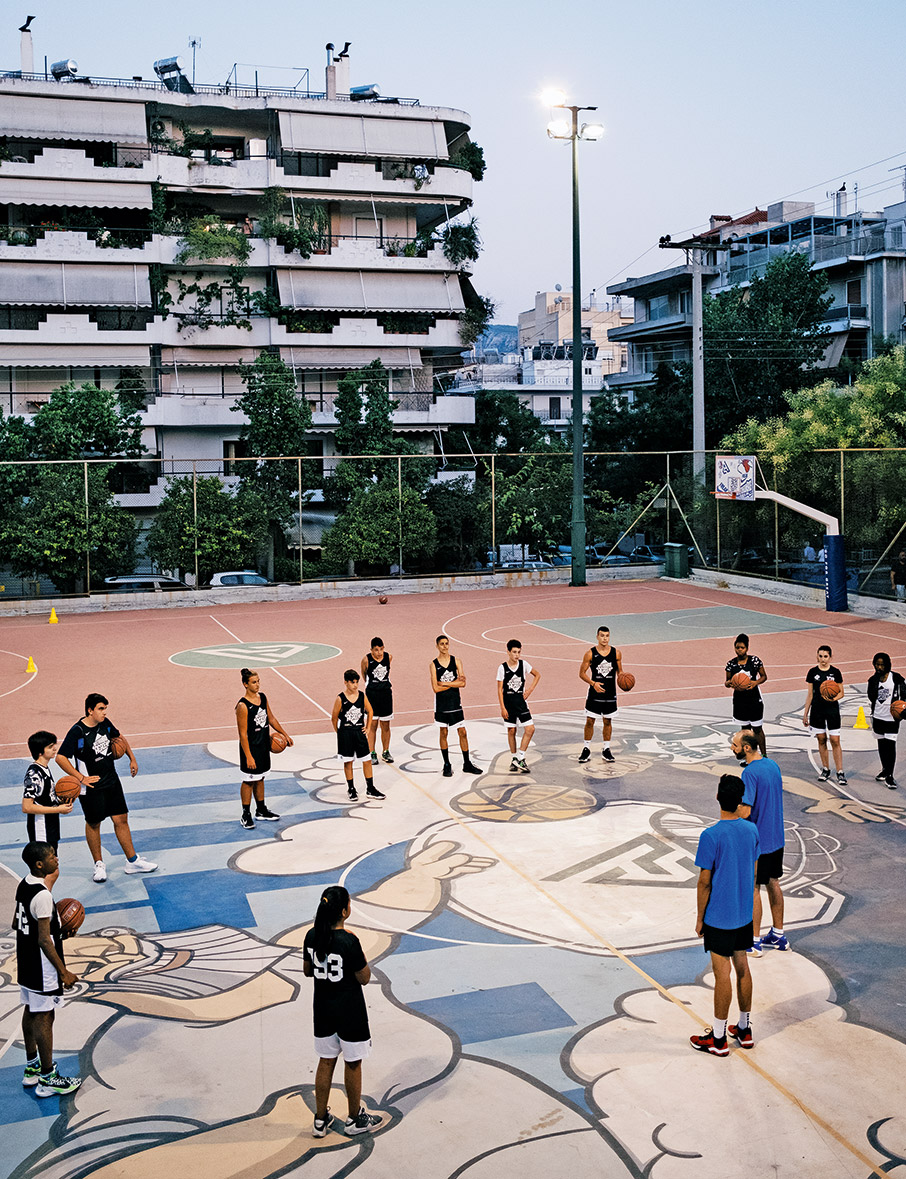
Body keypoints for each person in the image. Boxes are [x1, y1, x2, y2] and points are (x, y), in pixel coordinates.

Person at [302, 884, 383, 1137]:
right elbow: (364, 977)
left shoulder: (311, 936)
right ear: (345, 911)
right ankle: (354, 1119)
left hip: (322, 1010)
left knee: (325, 1061)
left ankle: (320, 1120)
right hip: (350, 1012)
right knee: (353, 1062)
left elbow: (307, 971)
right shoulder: (349, 940)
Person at [691, 774, 759, 1056]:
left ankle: (718, 1038)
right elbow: (752, 872)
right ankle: (744, 1028)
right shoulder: (751, 831)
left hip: (719, 916)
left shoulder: (711, 836)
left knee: (722, 974)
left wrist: (700, 918)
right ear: (740, 800)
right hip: (743, 914)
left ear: (718, 798)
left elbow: (704, 882)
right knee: (743, 969)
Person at [56, 693, 157, 883]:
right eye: (101, 709)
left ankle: (132, 861)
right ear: (90, 710)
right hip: (91, 786)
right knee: (94, 823)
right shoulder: (77, 731)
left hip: (111, 780)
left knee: (121, 819)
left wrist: (132, 758)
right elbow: (60, 758)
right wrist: (81, 778)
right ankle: (99, 865)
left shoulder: (105, 724)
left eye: (105, 709)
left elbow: (119, 738)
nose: (104, 712)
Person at [13, 841, 81, 1096]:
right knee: (44, 1016)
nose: (57, 859)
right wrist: (63, 972)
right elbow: (43, 940)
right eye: (52, 856)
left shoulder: (25, 884)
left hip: (25, 961)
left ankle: (32, 1067)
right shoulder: (43, 896)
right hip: (42, 967)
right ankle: (48, 1078)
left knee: (31, 1009)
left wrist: (58, 930)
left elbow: (20, 924)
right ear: (40, 864)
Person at [731, 729, 788, 955]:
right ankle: (778, 935)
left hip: (759, 842)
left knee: (754, 888)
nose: (732, 748)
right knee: (773, 883)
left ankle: (753, 941)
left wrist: (728, 806)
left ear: (746, 748)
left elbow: (745, 811)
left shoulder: (750, 773)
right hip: (777, 838)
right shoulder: (773, 765)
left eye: (735, 745)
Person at [236, 668, 293, 829]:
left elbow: (271, 718)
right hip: (250, 748)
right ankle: (245, 814)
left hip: (263, 746)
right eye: (254, 682)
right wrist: (248, 756)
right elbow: (242, 735)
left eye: (258, 681)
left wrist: (285, 734)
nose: (257, 685)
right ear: (245, 684)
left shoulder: (263, 698)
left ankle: (261, 810)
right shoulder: (242, 706)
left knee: (260, 778)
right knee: (248, 780)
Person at [22, 731, 71, 890]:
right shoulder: (34, 773)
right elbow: (27, 806)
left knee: (52, 871)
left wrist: (61, 802)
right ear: (40, 751)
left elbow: (45, 798)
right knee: (49, 872)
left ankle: (43, 900)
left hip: (50, 825)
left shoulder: (44, 769)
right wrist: (58, 809)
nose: (54, 748)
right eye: (50, 747)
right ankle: (42, 901)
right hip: (40, 827)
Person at [430, 635, 481, 777]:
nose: (444, 646)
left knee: (462, 732)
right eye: (442, 644)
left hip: (455, 703)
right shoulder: (433, 664)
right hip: (441, 704)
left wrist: (444, 683)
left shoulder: (456, 661)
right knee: (443, 732)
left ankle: (467, 763)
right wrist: (454, 683)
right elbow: (435, 688)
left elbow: (463, 683)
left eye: (446, 643)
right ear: (437, 646)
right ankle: (447, 764)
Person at [332, 670, 386, 802]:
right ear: (345, 682)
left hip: (359, 733)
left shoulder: (362, 696)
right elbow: (334, 718)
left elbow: (370, 711)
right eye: (352, 682)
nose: (355, 685)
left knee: (367, 760)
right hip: (346, 733)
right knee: (348, 761)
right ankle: (351, 789)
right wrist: (339, 732)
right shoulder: (340, 698)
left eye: (357, 682)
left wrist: (368, 727)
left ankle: (370, 788)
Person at [802, 644, 846, 785]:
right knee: (821, 739)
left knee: (835, 740)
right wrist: (805, 714)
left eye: (825, 656)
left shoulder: (836, 672)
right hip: (817, 711)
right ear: (817, 656)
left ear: (830, 657)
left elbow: (841, 693)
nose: (823, 659)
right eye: (820, 656)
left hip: (832, 710)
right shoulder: (812, 672)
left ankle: (840, 771)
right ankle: (825, 769)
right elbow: (810, 695)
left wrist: (832, 698)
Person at [578, 625, 623, 763]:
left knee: (607, 721)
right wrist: (593, 684)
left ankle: (606, 749)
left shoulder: (616, 653)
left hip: (610, 693)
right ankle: (586, 749)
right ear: (597, 637)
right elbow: (581, 673)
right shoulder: (590, 653)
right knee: (590, 721)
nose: (605, 638)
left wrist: (624, 680)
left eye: (607, 636)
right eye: (602, 636)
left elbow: (620, 672)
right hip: (594, 694)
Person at [497, 639, 542, 773]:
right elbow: (499, 689)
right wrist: (502, 708)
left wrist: (529, 690)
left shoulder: (524, 665)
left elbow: (537, 675)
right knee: (511, 731)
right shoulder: (502, 668)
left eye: (519, 652)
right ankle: (514, 759)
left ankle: (521, 757)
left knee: (530, 729)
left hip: (521, 703)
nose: (517, 655)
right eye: (514, 652)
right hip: (508, 704)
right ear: (508, 652)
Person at [724, 633, 768, 756]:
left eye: (742, 648)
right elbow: (727, 682)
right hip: (740, 701)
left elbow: (764, 676)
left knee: (757, 729)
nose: (739, 650)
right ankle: (749, 756)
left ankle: (764, 755)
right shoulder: (731, 664)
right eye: (737, 647)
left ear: (747, 648)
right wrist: (730, 683)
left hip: (754, 700)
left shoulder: (754, 661)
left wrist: (755, 683)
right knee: (745, 730)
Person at [867, 652, 905, 789]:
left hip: (892, 718)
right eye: (877, 664)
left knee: (890, 746)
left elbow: (904, 694)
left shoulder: (896, 678)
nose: (879, 667)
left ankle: (890, 775)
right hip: (878, 716)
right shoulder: (873, 680)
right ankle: (885, 769)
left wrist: (902, 709)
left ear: (887, 665)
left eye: (882, 665)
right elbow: (871, 697)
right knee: (882, 746)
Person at [361, 638, 394, 766]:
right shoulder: (366, 660)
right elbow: (364, 675)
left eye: (381, 649)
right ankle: (372, 752)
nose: (379, 652)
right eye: (376, 650)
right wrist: (372, 686)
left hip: (386, 695)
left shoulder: (388, 657)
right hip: (372, 696)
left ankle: (386, 751)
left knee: (385, 725)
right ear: (371, 650)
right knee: (372, 725)